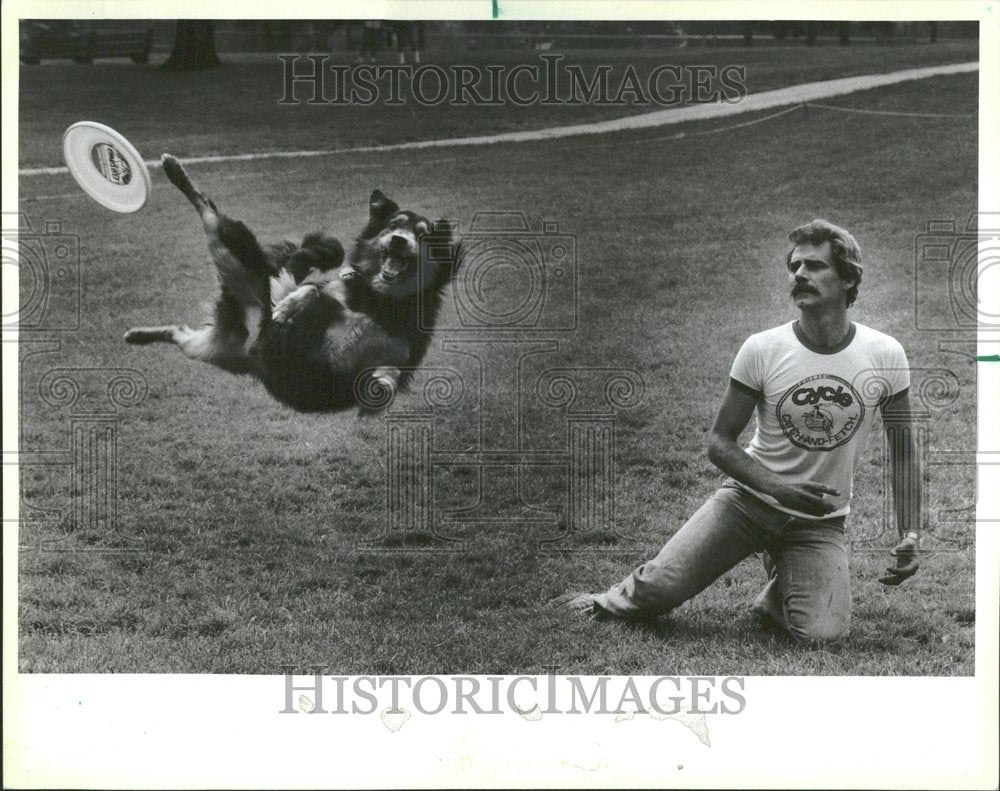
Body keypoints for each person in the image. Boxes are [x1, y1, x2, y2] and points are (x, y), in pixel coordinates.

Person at [557, 220, 921, 643]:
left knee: (823, 634)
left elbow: (904, 451)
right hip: (747, 503)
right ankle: (605, 600)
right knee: (657, 594)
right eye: (795, 265)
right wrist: (776, 487)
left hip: (818, 524)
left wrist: (910, 533)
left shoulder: (884, 354)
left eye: (815, 266)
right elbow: (719, 443)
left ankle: (781, 591)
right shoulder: (763, 349)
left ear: (848, 278)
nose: (799, 274)